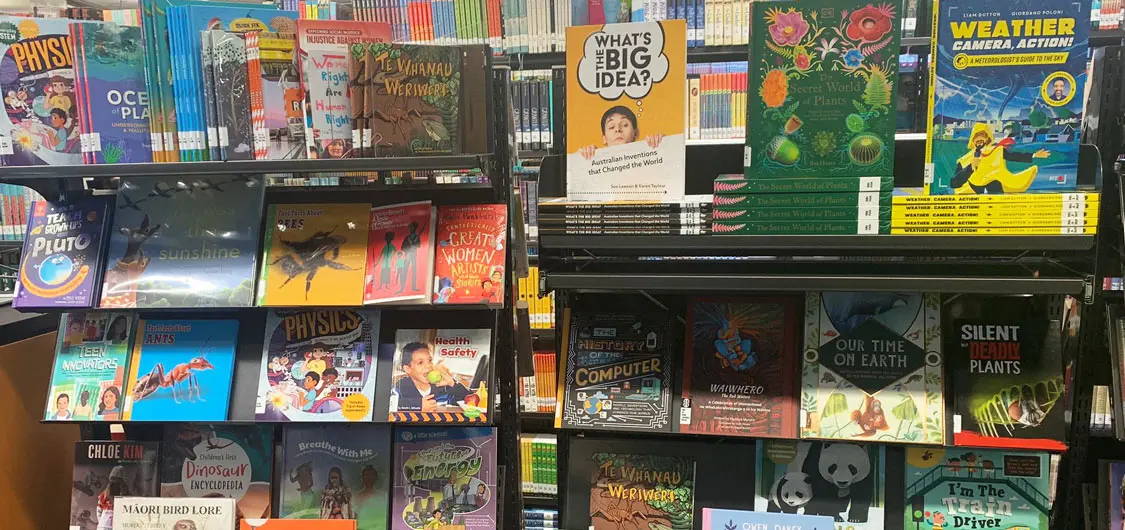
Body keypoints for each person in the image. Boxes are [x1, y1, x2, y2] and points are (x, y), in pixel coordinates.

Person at [950, 123, 1049, 194]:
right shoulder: (965, 159)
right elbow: (954, 183)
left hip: (997, 188)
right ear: (973, 139)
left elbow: (1015, 156)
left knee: (995, 178)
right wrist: (970, 167)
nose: (979, 138)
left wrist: (1034, 155)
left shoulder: (998, 151)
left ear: (988, 138)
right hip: (975, 189)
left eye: (983, 135)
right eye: (976, 136)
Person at [394, 342, 470, 412]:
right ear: (408, 369)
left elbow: (472, 401)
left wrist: (452, 383)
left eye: (430, 360)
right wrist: (418, 406)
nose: (428, 366)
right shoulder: (400, 388)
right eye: (420, 362)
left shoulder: (443, 387)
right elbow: (388, 404)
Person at [578, 106, 665, 160]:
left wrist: (662, 144)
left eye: (624, 125)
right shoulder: (592, 158)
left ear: (636, 133)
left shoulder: (650, 152)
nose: (618, 130)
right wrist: (585, 156)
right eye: (611, 127)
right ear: (604, 138)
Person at [96, 466, 129, 530]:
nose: (115, 482)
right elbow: (99, 510)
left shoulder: (126, 494)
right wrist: (101, 523)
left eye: (118, 479)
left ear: (122, 481)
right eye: (113, 479)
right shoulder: (104, 494)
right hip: (104, 526)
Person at [398, 221, 423, 294]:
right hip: (407, 255)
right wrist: (409, 247)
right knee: (405, 271)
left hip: (414, 255)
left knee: (414, 271)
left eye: (411, 227)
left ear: (414, 228)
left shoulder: (417, 237)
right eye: (410, 228)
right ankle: (402, 288)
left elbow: (419, 245)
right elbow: (402, 247)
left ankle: (414, 287)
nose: (410, 229)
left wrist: (414, 246)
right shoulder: (407, 238)